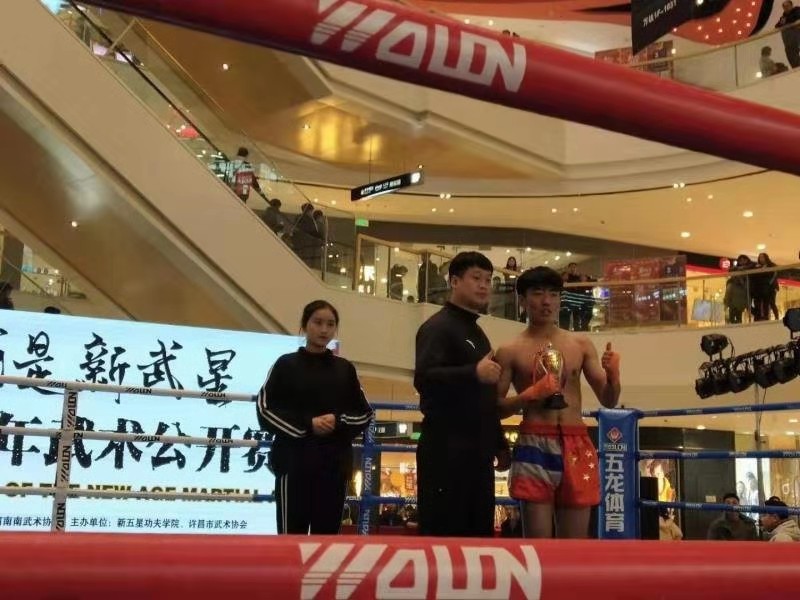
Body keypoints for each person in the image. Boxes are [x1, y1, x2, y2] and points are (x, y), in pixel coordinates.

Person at [496, 266, 621, 538]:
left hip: (576, 442)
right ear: (522, 300)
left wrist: (614, 376)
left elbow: (609, 400)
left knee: (574, 547)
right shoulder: (509, 350)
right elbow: (495, 409)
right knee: (538, 544)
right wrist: (530, 394)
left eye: (553, 294)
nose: (546, 301)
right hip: (534, 442)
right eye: (538, 293)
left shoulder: (581, 344)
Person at [256, 300, 373, 534]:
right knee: (291, 539)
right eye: (317, 322)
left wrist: (338, 421)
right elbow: (265, 409)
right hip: (293, 464)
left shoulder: (345, 369)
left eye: (330, 324)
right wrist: (308, 425)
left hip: (334, 466)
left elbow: (364, 413)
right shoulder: (285, 365)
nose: (324, 330)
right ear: (304, 324)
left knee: (327, 542)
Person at [414, 251, 510, 537]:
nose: (484, 285)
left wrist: (499, 441)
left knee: (477, 534)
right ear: (454, 281)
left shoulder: (477, 332)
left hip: (478, 450)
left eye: (488, 280)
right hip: (446, 449)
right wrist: (473, 372)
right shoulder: (437, 327)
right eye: (476, 278)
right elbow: (424, 379)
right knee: (444, 534)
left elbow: (485, 396)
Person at [776, 0, 800, 69]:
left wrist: (786, 22)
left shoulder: (797, 11)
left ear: (791, 6)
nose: (786, 8)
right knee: (790, 53)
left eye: (787, 6)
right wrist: (785, 21)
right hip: (790, 40)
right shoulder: (783, 17)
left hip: (796, 37)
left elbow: (795, 17)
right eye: (784, 7)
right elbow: (777, 26)